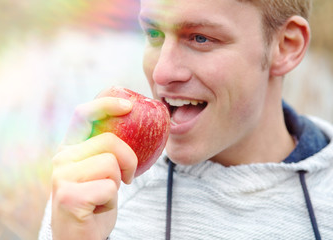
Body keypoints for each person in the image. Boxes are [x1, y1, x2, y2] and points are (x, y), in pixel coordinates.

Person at [39, 0, 333, 239]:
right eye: (154, 34)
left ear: (286, 45)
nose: (161, 73)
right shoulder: (98, 189)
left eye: (200, 38)